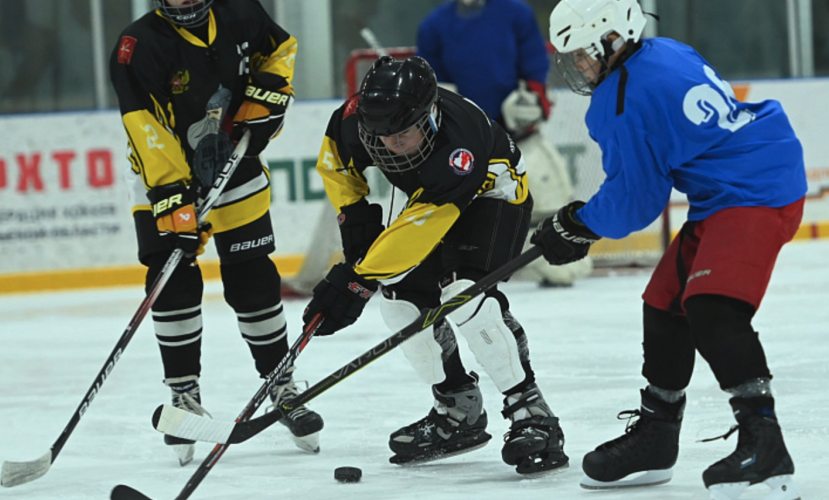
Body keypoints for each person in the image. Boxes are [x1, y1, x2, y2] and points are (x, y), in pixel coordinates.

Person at [533, 0, 805, 498]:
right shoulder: (661, 51)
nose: (576, 65)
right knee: (664, 303)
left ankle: (764, 443)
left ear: (613, 38)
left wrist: (576, 224)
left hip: (753, 192)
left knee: (712, 307)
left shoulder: (622, 97)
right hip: (738, 184)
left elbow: (636, 203)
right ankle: (658, 435)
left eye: (582, 53)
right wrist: (580, 223)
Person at [302, 55, 568, 475]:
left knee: (463, 296)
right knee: (398, 300)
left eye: (403, 134)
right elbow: (337, 165)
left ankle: (531, 413)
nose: (393, 145)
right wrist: (355, 224)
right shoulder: (355, 119)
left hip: (492, 199)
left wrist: (356, 280)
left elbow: (424, 228)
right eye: (382, 136)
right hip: (427, 202)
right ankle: (456, 408)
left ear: (429, 115)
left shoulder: (459, 144)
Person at [109, 0, 323, 465]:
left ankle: (279, 383)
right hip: (159, 175)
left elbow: (280, 48)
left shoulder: (241, 13)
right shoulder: (137, 46)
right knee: (173, 280)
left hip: (233, 160)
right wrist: (171, 198)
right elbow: (145, 126)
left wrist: (268, 90)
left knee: (253, 278)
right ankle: (183, 396)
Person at [417, 0, 592, 287]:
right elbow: (432, 80)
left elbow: (535, 66)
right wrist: (440, 101)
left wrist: (534, 98)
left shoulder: (515, 12)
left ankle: (548, 262)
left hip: (519, 138)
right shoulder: (434, 25)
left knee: (561, 254)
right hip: (464, 148)